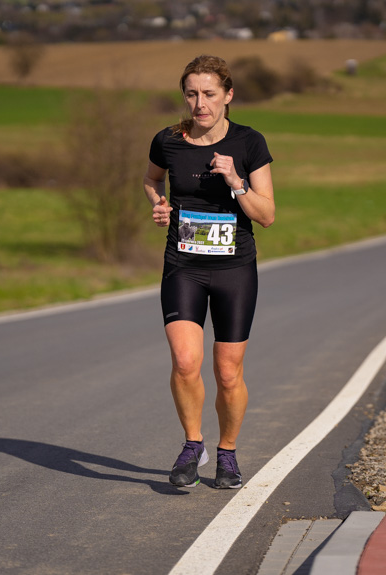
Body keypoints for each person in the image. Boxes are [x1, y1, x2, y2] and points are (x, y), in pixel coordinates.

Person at [143, 55, 275, 489]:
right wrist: (158, 205)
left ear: (228, 95)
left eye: (209, 94)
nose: (200, 103)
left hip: (235, 268)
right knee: (184, 362)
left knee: (227, 372)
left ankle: (228, 454)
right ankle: (192, 445)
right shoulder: (168, 140)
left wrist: (236, 181)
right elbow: (151, 180)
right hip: (183, 266)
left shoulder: (249, 143)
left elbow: (267, 214)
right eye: (192, 94)